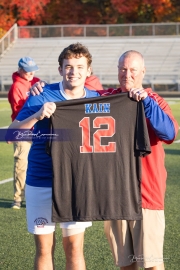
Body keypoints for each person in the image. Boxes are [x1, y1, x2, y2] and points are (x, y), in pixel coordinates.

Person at [31, 50, 179, 270]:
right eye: (122, 69)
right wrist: (44, 87)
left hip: (145, 194)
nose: (126, 74)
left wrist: (146, 103)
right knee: (125, 264)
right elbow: (76, 92)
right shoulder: (107, 97)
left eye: (132, 70)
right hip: (114, 195)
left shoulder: (153, 99)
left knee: (150, 264)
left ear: (142, 72)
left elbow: (170, 134)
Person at [7, 43, 100, 270]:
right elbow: (11, 133)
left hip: (76, 183)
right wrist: (38, 115)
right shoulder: (42, 95)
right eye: (68, 66)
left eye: (80, 66)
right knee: (44, 248)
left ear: (89, 71)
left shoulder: (96, 99)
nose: (73, 72)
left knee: (75, 249)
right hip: (41, 180)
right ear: (60, 69)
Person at [8, 56, 39, 209]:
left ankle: (32, 196)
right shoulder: (16, 87)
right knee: (21, 164)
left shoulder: (37, 82)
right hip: (22, 130)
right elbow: (19, 112)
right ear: (20, 70)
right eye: (28, 71)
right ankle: (17, 198)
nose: (31, 73)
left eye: (33, 70)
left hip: (38, 129)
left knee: (39, 163)